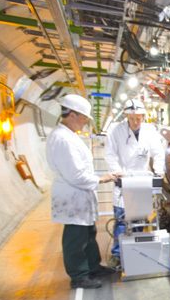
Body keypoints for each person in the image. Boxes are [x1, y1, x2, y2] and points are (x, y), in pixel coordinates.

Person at [46, 94, 117, 289]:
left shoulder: (69, 136)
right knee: (75, 238)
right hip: (72, 196)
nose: (85, 122)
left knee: (88, 233)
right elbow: (75, 175)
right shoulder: (62, 139)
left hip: (80, 195)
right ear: (72, 114)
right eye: (84, 118)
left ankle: (93, 267)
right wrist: (102, 178)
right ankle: (79, 276)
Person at [104, 99, 166, 267]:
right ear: (127, 116)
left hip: (141, 180)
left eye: (139, 118)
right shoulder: (116, 131)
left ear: (143, 116)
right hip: (124, 179)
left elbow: (158, 153)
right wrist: (117, 171)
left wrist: (159, 171)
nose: (136, 121)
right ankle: (117, 254)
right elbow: (110, 154)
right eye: (132, 118)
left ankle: (136, 251)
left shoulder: (150, 130)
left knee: (139, 220)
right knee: (122, 221)